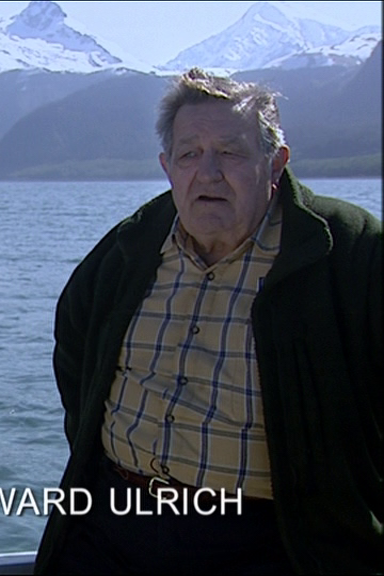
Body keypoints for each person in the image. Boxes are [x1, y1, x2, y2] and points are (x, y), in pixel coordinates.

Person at [35, 68, 382, 574]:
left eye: (231, 152)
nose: (209, 172)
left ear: (276, 163)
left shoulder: (346, 251)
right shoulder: (129, 248)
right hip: (109, 527)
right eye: (189, 154)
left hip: (270, 544)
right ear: (167, 167)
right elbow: (74, 355)